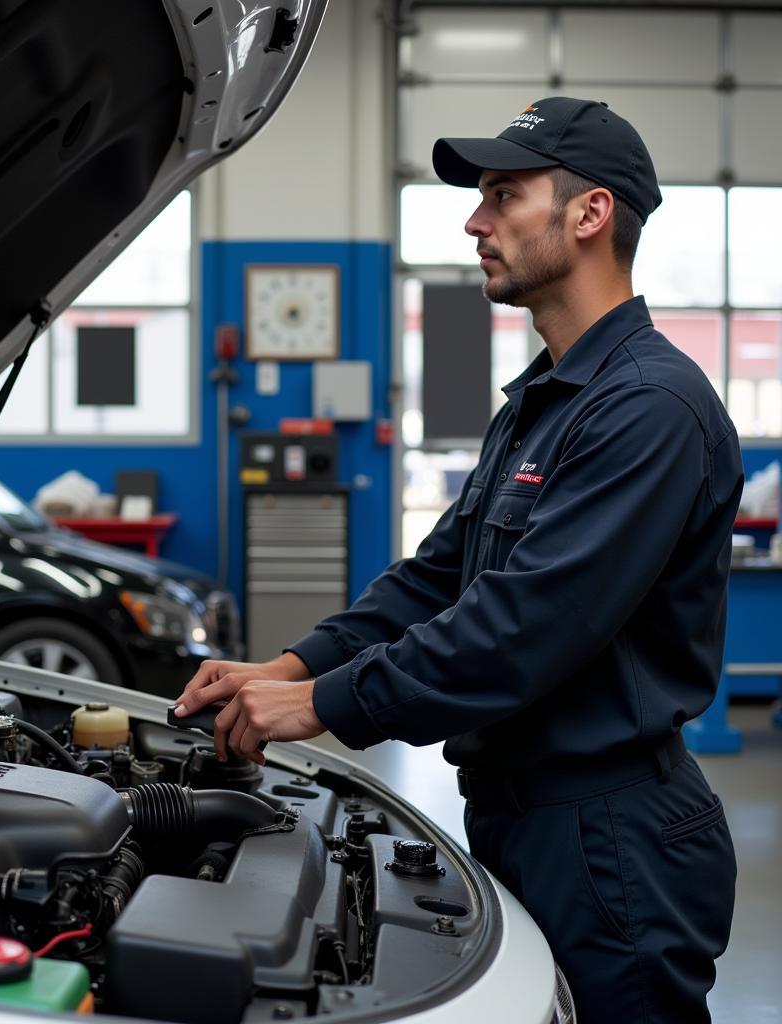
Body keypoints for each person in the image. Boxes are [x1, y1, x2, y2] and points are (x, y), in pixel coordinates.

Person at [173, 97, 740, 1024]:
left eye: (503, 196)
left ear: (590, 214)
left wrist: (320, 705)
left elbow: (523, 628)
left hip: (609, 837)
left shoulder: (649, 408)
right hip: (525, 814)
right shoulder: (543, 403)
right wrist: (290, 665)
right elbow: (436, 579)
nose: (475, 222)